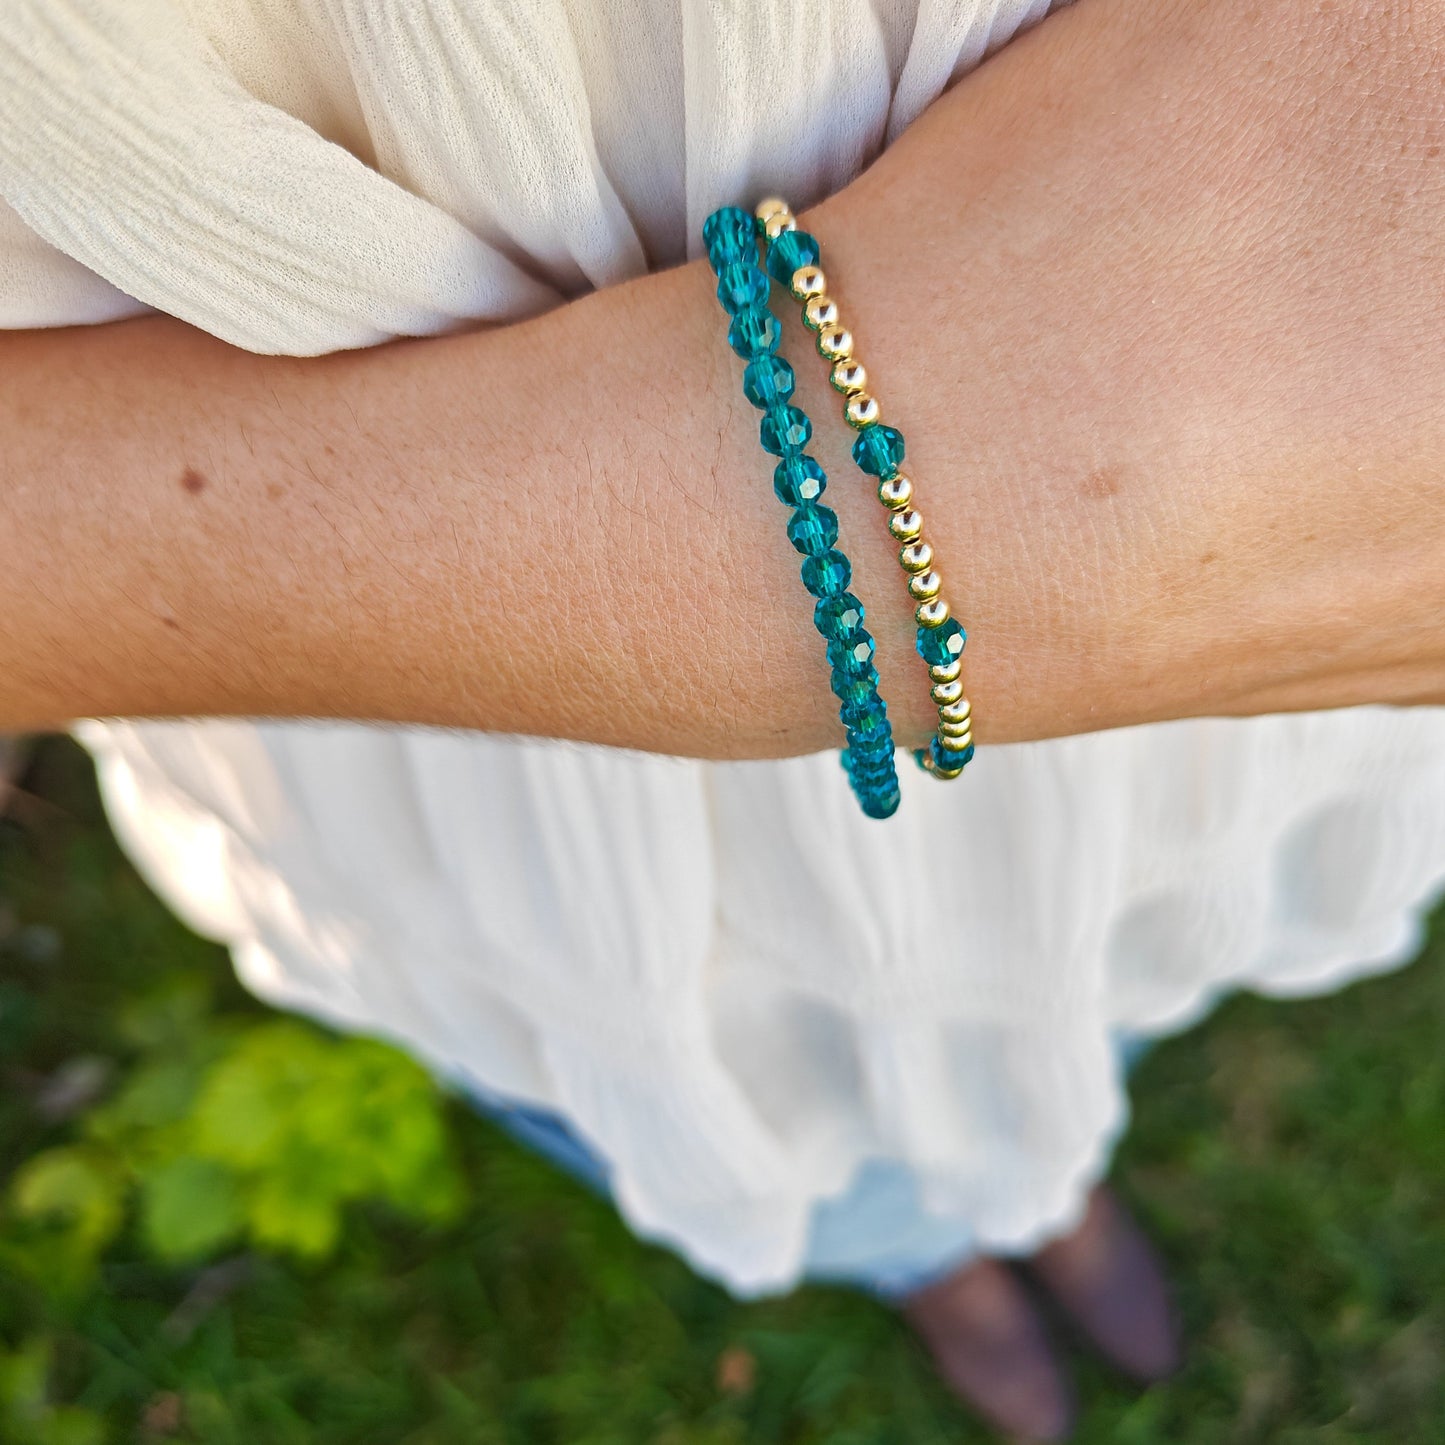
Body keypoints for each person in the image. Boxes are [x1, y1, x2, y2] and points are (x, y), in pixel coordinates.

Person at [3, 0, 1444, 1437]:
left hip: (1215, 561)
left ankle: (1040, 1176)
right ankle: (915, 1254)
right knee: (727, 1083)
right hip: (445, 768)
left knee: (1078, 970)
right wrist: (699, 551)